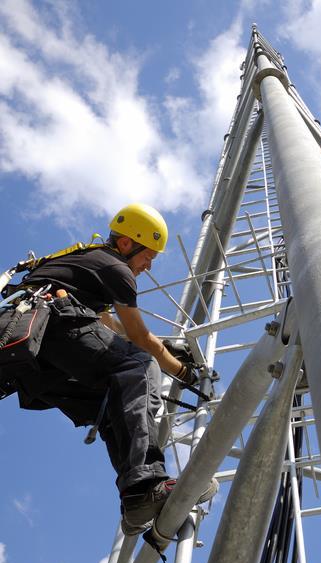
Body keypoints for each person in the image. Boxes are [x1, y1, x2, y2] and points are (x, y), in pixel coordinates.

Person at [9, 203, 216, 535]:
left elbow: (108, 324)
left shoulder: (86, 263)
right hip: (55, 327)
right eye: (148, 256)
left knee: (113, 404)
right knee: (138, 365)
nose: (148, 266)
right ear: (126, 244)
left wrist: (160, 343)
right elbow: (137, 337)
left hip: (33, 354)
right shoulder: (115, 269)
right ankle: (146, 483)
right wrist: (181, 371)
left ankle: (137, 497)